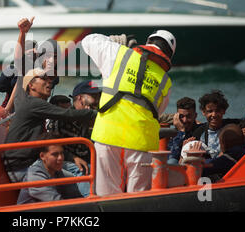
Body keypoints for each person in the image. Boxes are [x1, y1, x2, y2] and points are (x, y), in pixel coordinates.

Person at [2, 18, 97, 183]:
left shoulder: (49, 77)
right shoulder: (32, 72)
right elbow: (19, 62)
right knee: (78, 174)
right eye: (49, 56)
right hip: (22, 155)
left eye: (56, 57)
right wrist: (22, 33)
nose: (48, 83)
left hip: (34, 138)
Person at [81, 30, 176, 195]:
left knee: (106, 195)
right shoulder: (165, 81)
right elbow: (158, 112)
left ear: (148, 42)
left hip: (107, 137)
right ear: (169, 54)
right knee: (137, 198)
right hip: (142, 143)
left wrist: (112, 41)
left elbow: (88, 40)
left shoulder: (118, 53)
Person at [46, 80, 101, 197]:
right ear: (80, 98)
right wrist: (74, 158)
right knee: (83, 170)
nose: (97, 99)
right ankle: (92, 203)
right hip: (63, 163)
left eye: (98, 96)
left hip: (83, 162)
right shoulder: (62, 118)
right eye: (94, 96)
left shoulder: (91, 120)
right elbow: (52, 147)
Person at [17, 133, 83, 204]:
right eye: (55, 154)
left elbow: (74, 196)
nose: (60, 158)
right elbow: (57, 203)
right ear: (42, 156)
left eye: (62, 153)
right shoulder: (34, 176)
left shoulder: (57, 171)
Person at [189, 90, 240, 159]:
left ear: (224, 111)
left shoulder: (233, 126)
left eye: (217, 111)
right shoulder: (199, 133)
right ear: (203, 112)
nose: (214, 115)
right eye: (210, 111)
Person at [165, 97, 202, 165]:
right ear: (177, 116)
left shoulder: (200, 131)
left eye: (188, 116)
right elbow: (172, 156)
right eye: (181, 116)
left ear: (195, 115)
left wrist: (181, 131)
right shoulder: (175, 134)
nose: (184, 120)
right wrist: (181, 132)